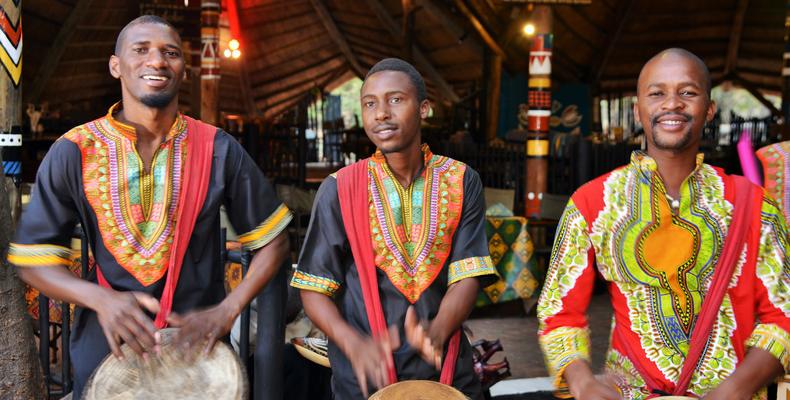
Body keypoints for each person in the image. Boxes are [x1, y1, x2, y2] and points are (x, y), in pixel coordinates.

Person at [8, 15, 291, 398]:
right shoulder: (74, 150)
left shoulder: (218, 148)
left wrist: (228, 309)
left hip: (196, 354)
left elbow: (274, 241)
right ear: (116, 66)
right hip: (105, 352)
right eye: (141, 50)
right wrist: (100, 298)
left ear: (183, 70)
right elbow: (31, 258)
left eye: (169, 53)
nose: (156, 61)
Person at [537, 48, 790, 400]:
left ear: (709, 109)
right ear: (639, 110)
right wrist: (582, 381)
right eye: (657, 93)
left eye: (687, 92)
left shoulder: (755, 205)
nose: (672, 104)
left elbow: (783, 315)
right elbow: (558, 312)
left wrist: (735, 388)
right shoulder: (590, 202)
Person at [290, 58, 498, 399]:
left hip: (446, 366)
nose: (381, 113)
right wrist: (352, 343)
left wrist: (437, 331)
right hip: (364, 373)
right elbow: (314, 287)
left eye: (395, 100)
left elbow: (468, 273)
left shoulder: (462, 181)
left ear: (424, 108)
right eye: (370, 104)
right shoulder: (340, 188)